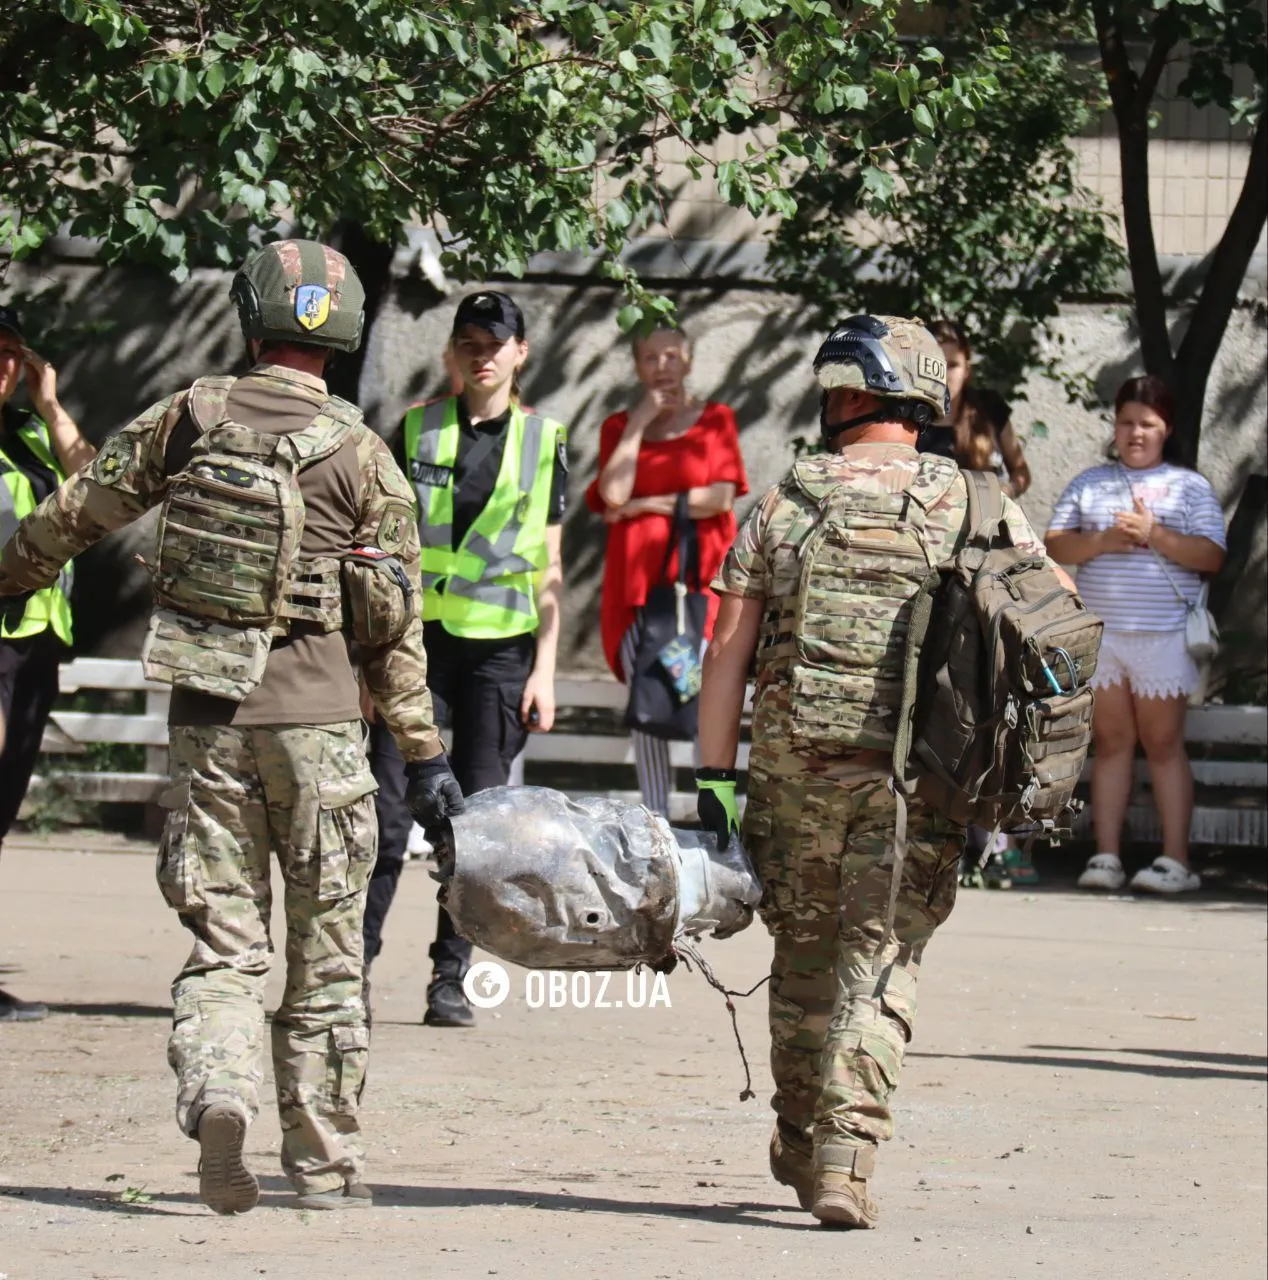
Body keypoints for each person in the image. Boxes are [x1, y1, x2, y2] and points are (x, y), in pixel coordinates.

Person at [0, 241, 463, 1213]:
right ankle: (324, 1165)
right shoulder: (365, 456)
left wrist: (10, 576)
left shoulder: (190, 416)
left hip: (208, 725)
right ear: (342, 335)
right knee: (327, 955)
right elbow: (394, 631)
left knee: (224, 945)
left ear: (251, 320)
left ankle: (219, 1090)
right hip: (323, 734)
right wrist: (422, 754)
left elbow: (77, 511)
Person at [694, 315, 1070, 1229]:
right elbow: (1054, 627)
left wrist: (713, 784)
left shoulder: (787, 497)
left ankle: (797, 1134)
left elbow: (725, 654)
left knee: (804, 960)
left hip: (792, 780)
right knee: (882, 963)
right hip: (919, 784)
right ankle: (846, 1156)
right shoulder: (976, 503)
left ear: (857, 395)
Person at [361, 290, 567, 1028]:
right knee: (386, 818)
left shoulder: (546, 440)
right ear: (452, 352)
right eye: (469, 343)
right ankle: (351, 973)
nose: (483, 356)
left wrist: (545, 671)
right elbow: (378, 550)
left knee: (477, 832)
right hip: (414, 650)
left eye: (495, 344)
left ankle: (449, 979)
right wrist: (368, 661)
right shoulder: (416, 428)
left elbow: (550, 565)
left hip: (500, 656)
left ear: (520, 353)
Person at [1045, 375, 1226, 896]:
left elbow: (1212, 555)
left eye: (1146, 423)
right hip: (1105, 637)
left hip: (1163, 638)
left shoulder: (1190, 487)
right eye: (1126, 422)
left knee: (1163, 743)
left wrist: (1154, 534)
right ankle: (1106, 857)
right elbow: (1055, 545)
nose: (1135, 433)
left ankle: (1176, 862)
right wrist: (1104, 540)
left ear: (1166, 428)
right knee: (1111, 743)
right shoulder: (1090, 483)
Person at [585, 325, 747, 816]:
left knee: (704, 698)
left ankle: (714, 815)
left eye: (672, 356)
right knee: (649, 702)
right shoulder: (618, 427)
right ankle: (655, 820)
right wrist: (640, 421)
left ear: (689, 361)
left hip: (699, 590)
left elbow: (719, 497)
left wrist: (644, 504)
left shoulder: (715, 420)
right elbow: (613, 493)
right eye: (650, 357)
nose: (662, 367)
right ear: (637, 366)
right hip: (637, 592)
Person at [0, 304, 95, 1023]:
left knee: (3, 805)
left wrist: (53, 407)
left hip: (33, 644)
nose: (3, 366)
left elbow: (96, 486)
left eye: (11, 352)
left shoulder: (28, 431)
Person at [918, 319, 1031, 498]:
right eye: (936, 364)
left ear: (967, 370)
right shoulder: (907, 416)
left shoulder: (989, 407)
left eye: (952, 365)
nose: (943, 374)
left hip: (983, 512)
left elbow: (1021, 471)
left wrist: (1004, 493)